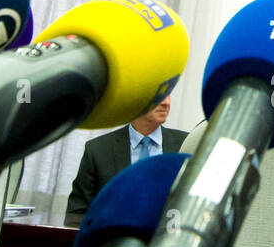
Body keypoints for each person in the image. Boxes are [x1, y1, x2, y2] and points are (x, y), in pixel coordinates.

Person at [64, 96, 188, 226]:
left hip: (166, 242)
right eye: (159, 95)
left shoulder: (187, 145)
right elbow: (76, 216)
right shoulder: (98, 150)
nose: (166, 103)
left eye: (168, 95)